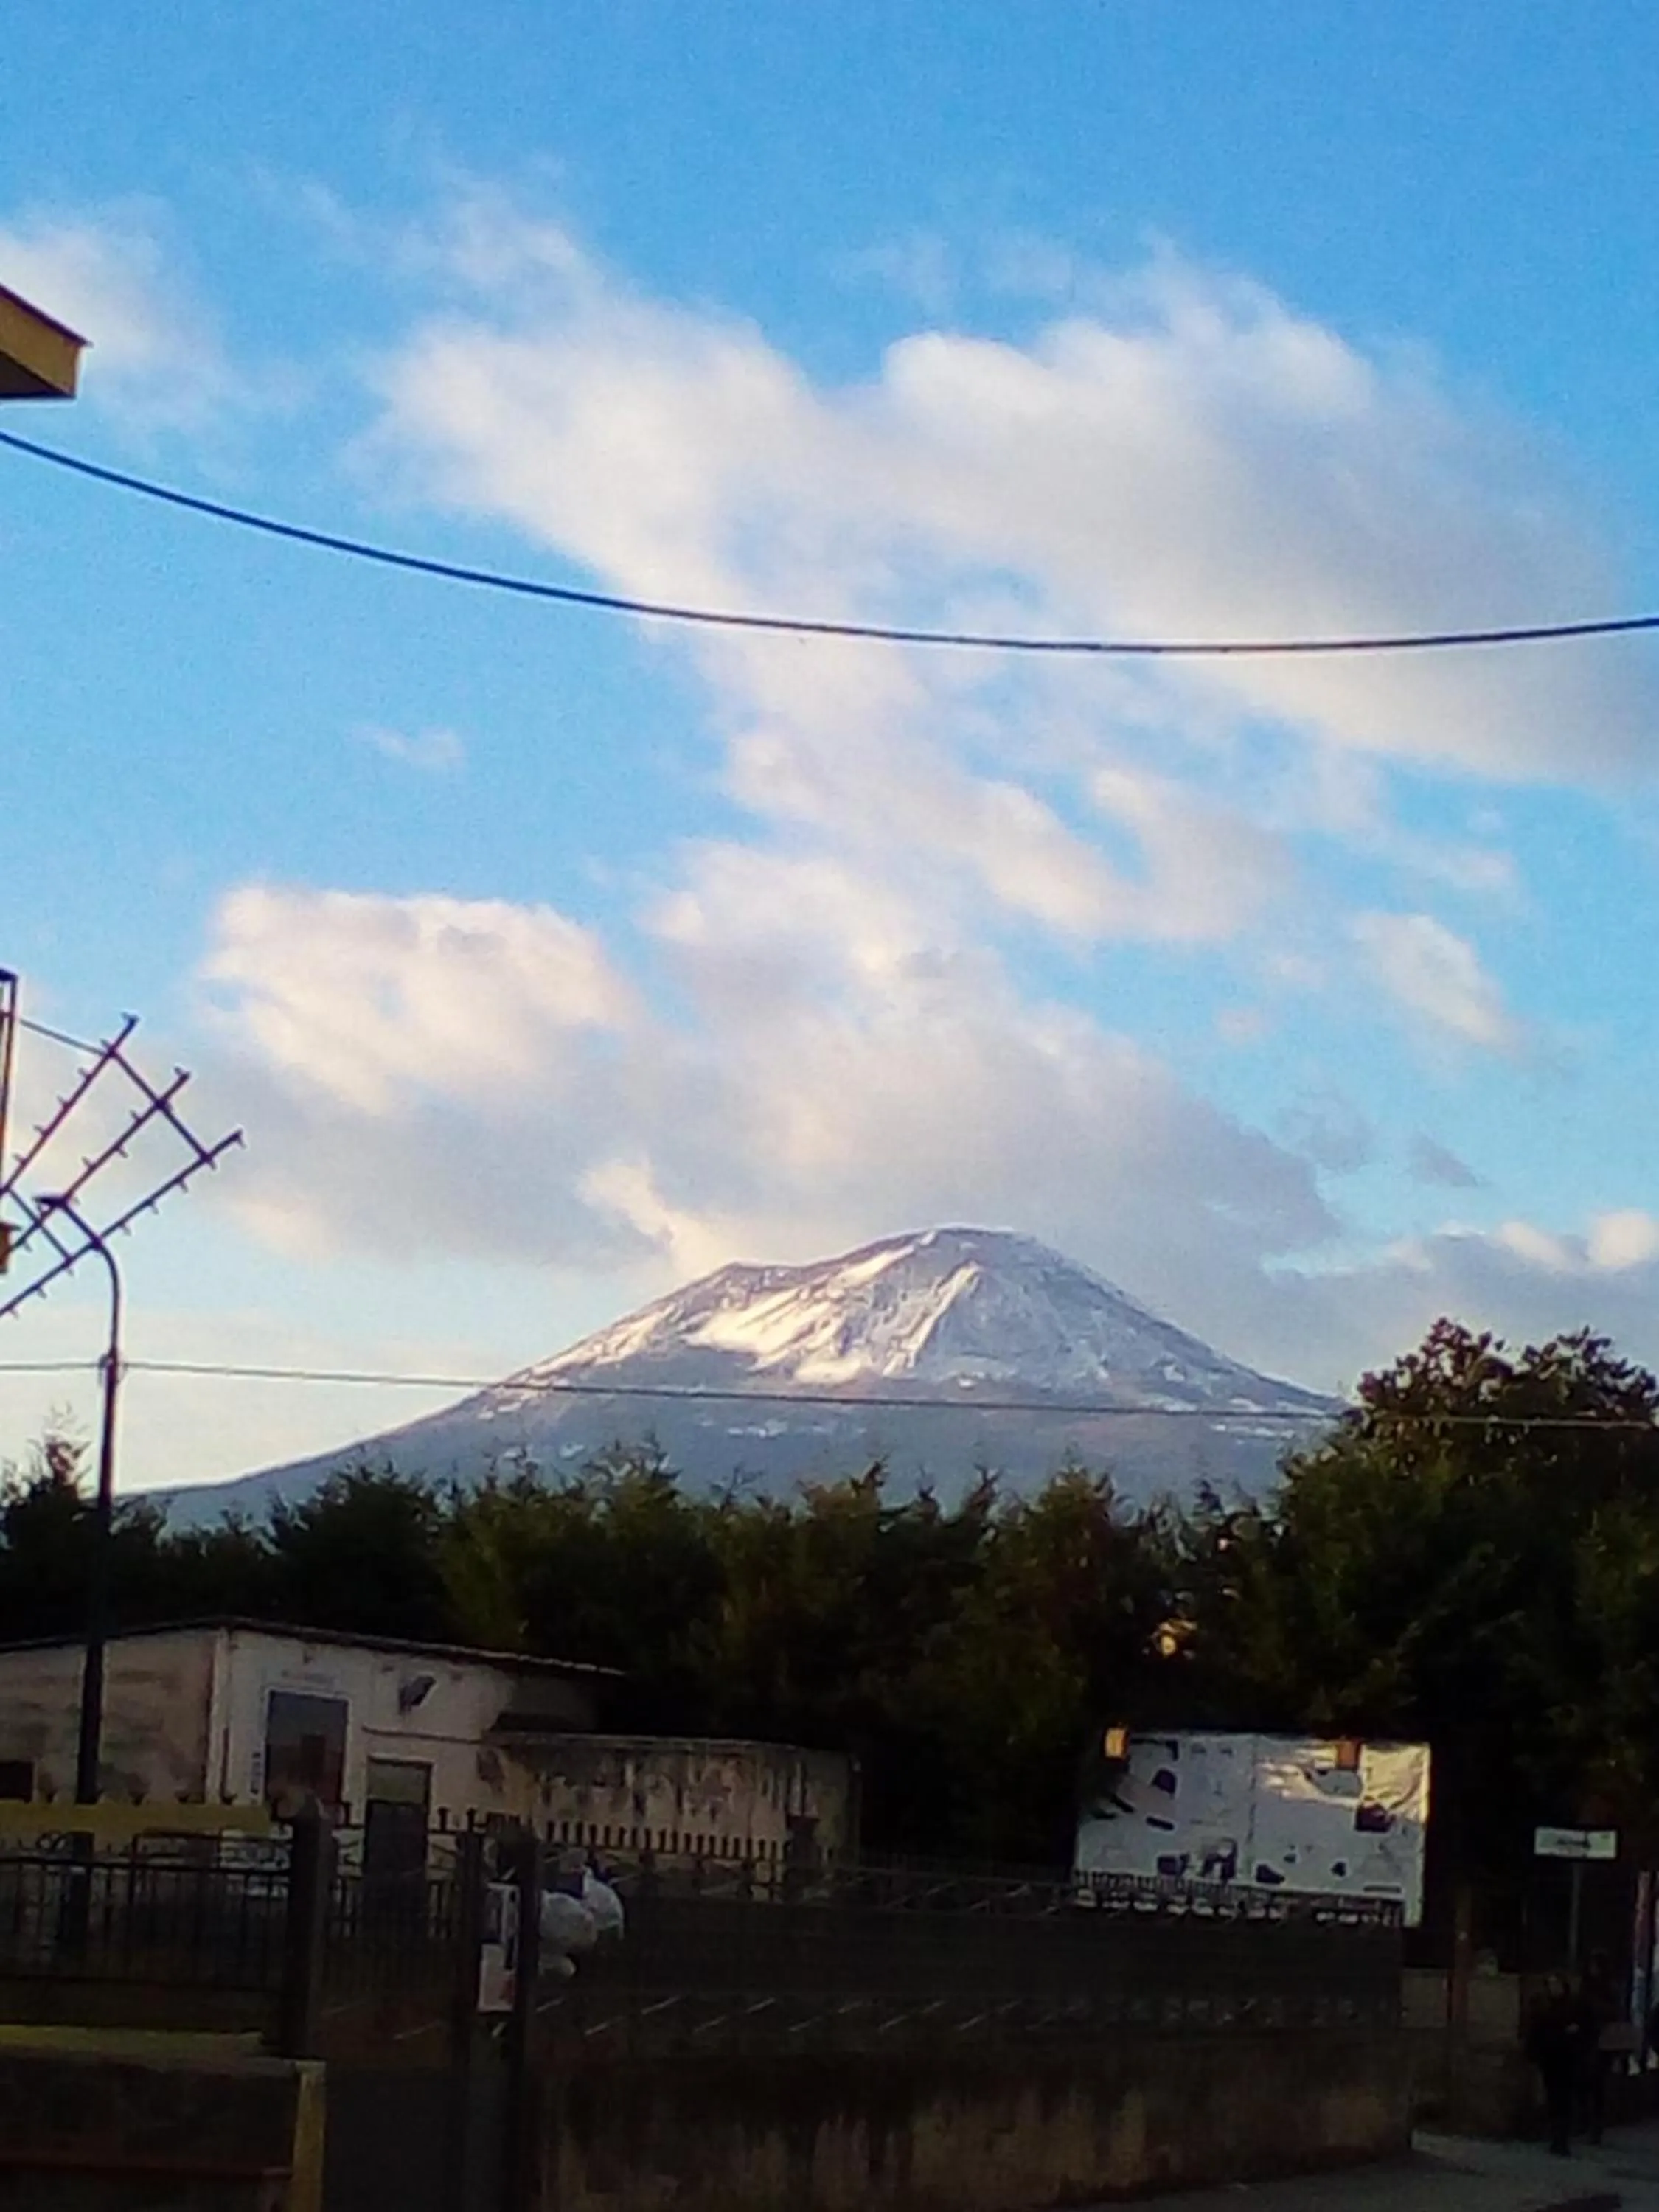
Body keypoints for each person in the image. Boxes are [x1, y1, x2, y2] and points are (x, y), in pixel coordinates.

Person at [1525, 1974, 1586, 2157]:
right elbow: (1535, 2033)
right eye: (1551, 1984)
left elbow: (1584, 2030)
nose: (1554, 1988)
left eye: (1556, 1984)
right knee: (1553, 2100)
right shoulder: (1543, 2008)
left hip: (1567, 2061)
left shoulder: (1572, 2007)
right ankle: (1555, 2137)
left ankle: (1562, 2140)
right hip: (1550, 2060)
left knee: (1564, 2101)